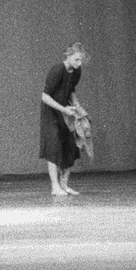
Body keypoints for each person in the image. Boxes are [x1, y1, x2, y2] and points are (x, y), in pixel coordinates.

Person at [40, 42, 88, 196]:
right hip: (52, 113)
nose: (79, 63)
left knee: (69, 146)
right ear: (68, 56)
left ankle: (64, 185)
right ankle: (55, 187)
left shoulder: (76, 71)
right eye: (76, 60)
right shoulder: (57, 70)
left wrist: (77, 106)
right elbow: (45, 96)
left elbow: (71, 90)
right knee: (54, 148)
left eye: (80, 60)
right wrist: (63, 109)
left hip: (67, 112)